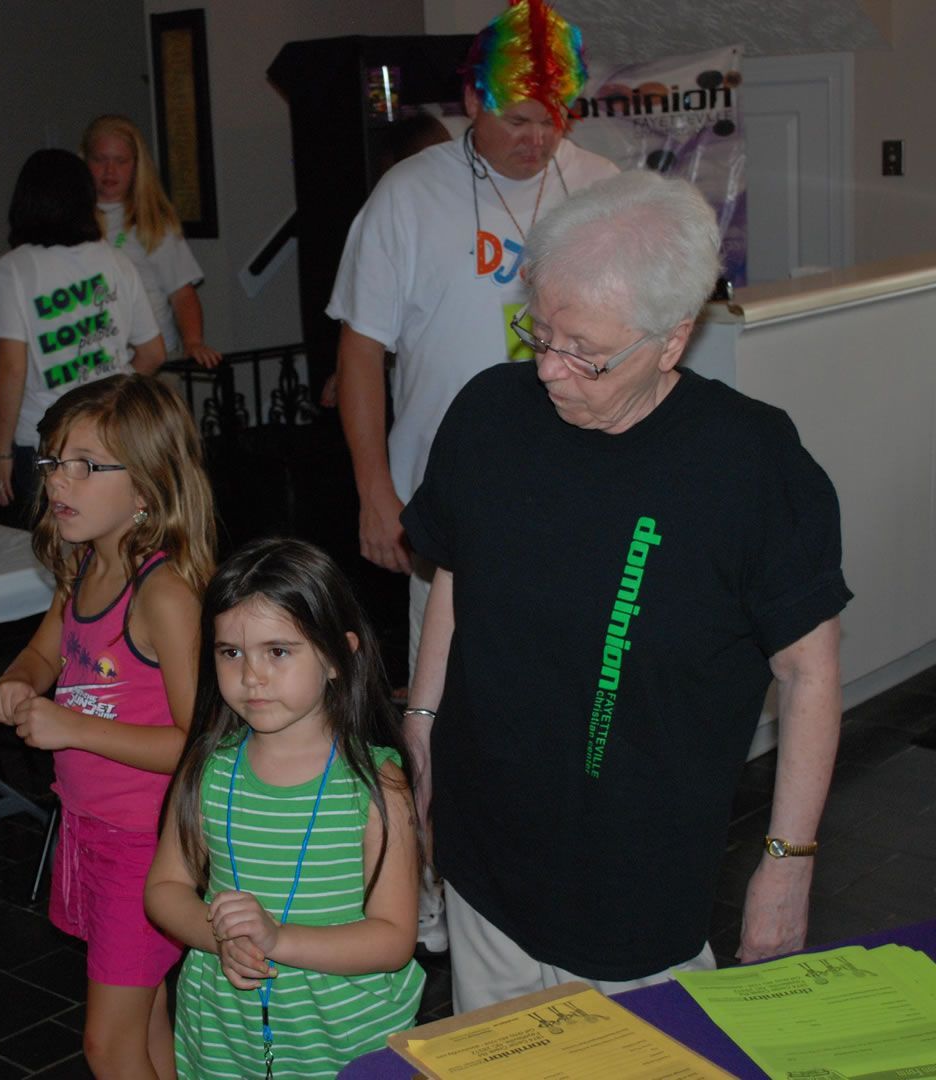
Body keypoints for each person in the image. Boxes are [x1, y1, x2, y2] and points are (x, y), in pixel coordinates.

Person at [401, 170, 852, 1010]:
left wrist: (789, 862)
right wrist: (421, 723)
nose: (551, 372)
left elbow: (808, 672)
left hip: (635, 878)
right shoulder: (490, 415)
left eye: (587, 354)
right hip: (486, 855)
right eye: (539, 335)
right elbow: (456, 576)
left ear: (673, 339)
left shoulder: (750, 464)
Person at [327, 0, 617, 952]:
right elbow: (361, 352)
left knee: (572, 694)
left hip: (579, 496)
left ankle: (561, 866)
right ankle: (444, 885)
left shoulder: (601, 189)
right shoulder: (409, 198)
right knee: (443, 706)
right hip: (446, 507)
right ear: (470, 101)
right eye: (518, 119)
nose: (539, 140)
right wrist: (376, 489)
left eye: (553, 119)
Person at [0, 374, 215, 1078]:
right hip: (91, 830)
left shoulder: (165, 593)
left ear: (146, 487)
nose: (61, 482)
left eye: (88, 465)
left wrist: (74, 729)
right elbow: (45, 649)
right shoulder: (83, 564)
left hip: (148, 846)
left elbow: (195, 739)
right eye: (54, 460)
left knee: (107, 1046)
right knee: (145, 1028)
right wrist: (20, 678)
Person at [146, 538, 425, 1078]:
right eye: (231, 652)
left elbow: (393, 938)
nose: (252, 675)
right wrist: (221, 936)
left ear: (336, 656)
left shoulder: (376, 784)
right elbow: (163, 890)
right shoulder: (209, 768)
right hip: (227, 1032)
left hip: (341, 1035)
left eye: (278, 651)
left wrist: (279, 939)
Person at [0, 148, 165, 511]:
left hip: (46, 441)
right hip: (113, 434)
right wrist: (108, 393)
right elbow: (153, 354)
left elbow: (12, 368)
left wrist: (0, 453)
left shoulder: (13, 270)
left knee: (51, 554)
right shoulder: (116, 261)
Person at [82, 115, 222, 368]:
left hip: (152, 359)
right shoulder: (73, 219)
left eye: (120, 161)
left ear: (136, 165)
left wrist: (192, 342)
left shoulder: (154, 223)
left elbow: (182, 293)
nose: (109, 171)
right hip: (97, 363)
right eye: (100, 160)